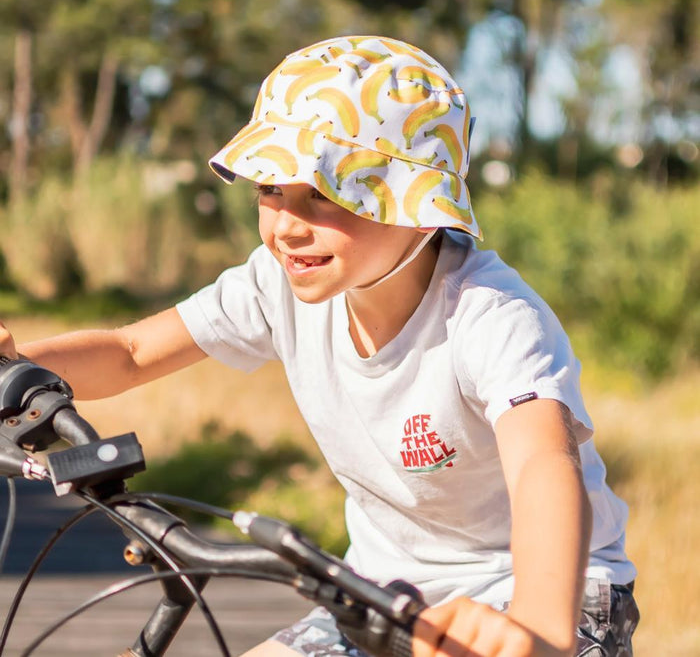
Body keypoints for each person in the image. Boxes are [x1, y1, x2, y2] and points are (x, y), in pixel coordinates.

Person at [0, 35, 638, 656]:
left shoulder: (491, 315)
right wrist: (15, 365)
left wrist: (538, 622)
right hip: (384, 589)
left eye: (328, 194)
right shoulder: (275, 285)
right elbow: (131, 350)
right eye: (270, 190)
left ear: (420, 203)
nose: (286, 228)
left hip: (539, 590)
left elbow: (542, 464)